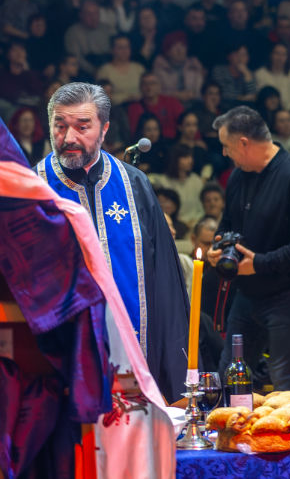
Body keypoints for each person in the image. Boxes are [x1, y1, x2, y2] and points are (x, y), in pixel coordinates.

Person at [36, 82, 189, 402]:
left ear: (104, 129)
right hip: (64, 360)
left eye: (82, 126)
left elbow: (164, 283)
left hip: (137, 356)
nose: (69, 137)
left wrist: (174, 373)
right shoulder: (35, 189)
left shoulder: (134, 184)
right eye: (60, 126)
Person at [213, 106, 290, 391]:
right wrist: (219, 245)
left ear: (243, 143)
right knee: (230, 376)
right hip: (247, 292)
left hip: (289, 294)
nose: (225, 153)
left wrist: (261, 263)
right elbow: (228, 223)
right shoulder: (238, 176)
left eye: (227, 146)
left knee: (286, 382)